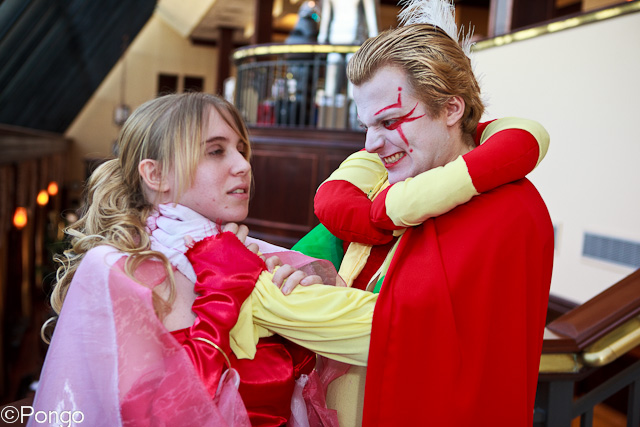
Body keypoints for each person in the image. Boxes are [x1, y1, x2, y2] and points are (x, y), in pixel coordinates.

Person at [30, 92, 379, 427]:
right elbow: (158, 416)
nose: (243, 165)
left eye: (241, 149)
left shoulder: (249, 256)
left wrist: (293, 326)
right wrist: (224, 291)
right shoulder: (120, 270)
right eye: (216, 151)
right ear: (156, 175)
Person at [295, 1, 554, 425]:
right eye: (366, 126)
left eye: (389, 121)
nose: (371, 145)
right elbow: (301, 261)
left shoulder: (509, 212)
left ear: (451, 109)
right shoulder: (379, 188)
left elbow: (413, 341)